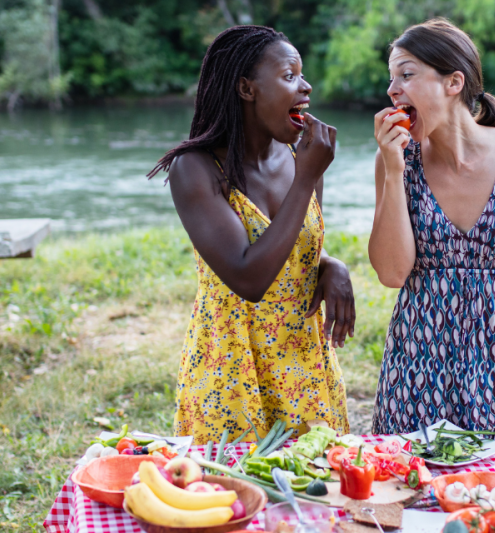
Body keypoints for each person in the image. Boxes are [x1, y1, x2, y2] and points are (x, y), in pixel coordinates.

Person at [147, 26, 354, 444]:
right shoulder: (196, 169)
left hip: (304, 365)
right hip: (234, 367)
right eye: (290, 75)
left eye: (303, 74)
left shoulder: (299, 157)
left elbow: (293, 242)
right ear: (246, 88)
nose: (306, 86)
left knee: (316, 496)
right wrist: (307, 177)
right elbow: (249, 278)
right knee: (233, 500)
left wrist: (330, 263)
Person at [368, 18, 495, 475]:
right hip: (416, 360)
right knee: (405, 492)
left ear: (453, 82)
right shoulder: (398, 160)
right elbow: (392, 274)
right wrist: (392, 170)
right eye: (391, 77)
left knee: (492, 498)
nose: (393, 90)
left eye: (406, 74)